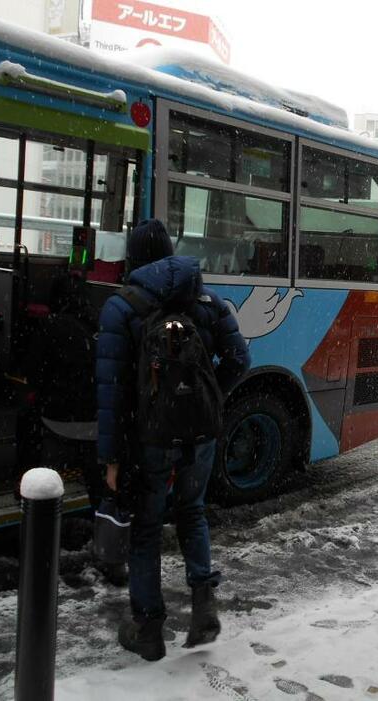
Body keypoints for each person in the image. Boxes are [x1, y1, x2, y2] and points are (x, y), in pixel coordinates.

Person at [96, 219, 250, 661]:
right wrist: (210, 398)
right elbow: (240, 357)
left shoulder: (121, 307)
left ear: (134, 257)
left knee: (145, 529)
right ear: (169, 252)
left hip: (149, 439)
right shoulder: (207, 300)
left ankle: (148, 629)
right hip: (199, 435)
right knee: (192, 513)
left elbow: (110, 393)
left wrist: (111, 457)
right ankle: (203, 608)